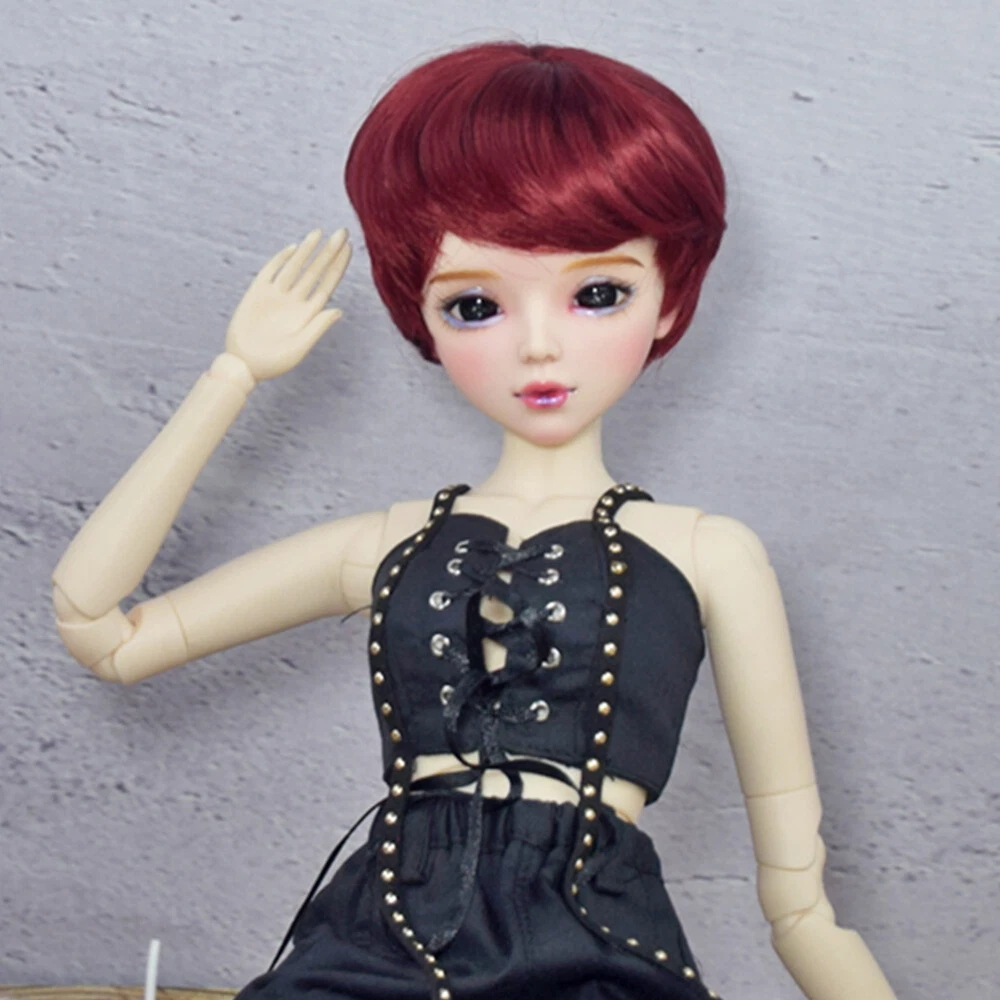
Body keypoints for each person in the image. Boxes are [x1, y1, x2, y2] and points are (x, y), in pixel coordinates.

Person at [52, 42, 898, 1000]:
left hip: (592, 941)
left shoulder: (707, 553)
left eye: (598, 294)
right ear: (421, 316)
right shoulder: (389, 543)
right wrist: (233, 374)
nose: (539, 345)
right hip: (379, 937)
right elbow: (104, 630)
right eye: (476, 305)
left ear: (670, 300)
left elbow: (800, 906)